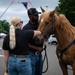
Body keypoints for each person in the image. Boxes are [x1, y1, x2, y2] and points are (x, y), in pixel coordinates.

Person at [22, 8, 44, 75]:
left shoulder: (40, 25)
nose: (37, 16)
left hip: (40, 55)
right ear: (30, 16)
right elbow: (25, 44)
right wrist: (37, 48)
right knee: (32, 73)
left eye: (38, 14)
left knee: (39, 73)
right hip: (31, 55)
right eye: (35, 15)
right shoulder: (25, 28)